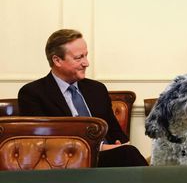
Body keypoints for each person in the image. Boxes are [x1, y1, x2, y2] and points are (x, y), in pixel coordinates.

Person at [18, 29, 148, 167]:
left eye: (86, 56)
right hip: (64, 163)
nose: (86, 63)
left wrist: (119, 144)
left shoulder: (97, 89)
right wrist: (100, 148)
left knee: (127, 153)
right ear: (57, 60)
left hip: (106, 160)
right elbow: (44, 143)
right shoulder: (33, 93)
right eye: (78, 58)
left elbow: (116, 133)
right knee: (128, 154)